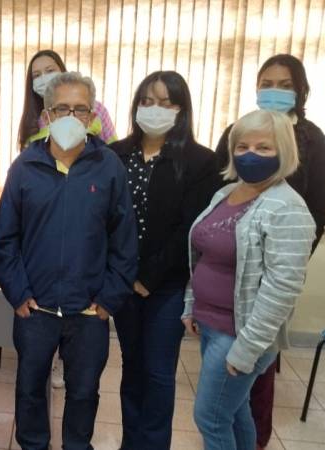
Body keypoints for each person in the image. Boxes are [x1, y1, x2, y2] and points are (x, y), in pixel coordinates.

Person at [0, 71, 138, 450]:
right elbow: (4, 238)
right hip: (35, 309)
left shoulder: (109, 166)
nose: (72, 116)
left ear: (92, 115)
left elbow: (124, 242)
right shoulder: (24, 167)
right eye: (62, 108)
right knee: (30, 390)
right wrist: (18, 293)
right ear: (47, 114)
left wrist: (108, 300)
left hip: (88, 312)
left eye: (81, 109)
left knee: (84, 393)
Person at [213, 54, 325, 450]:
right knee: (223, 368)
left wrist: (289, 262)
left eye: (285, 85)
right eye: (267, 83)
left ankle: (255, 441)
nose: (274, 91)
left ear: (300, 91)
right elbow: (218, 195)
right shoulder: (238, 130)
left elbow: (319, 210)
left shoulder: (311, 139)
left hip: (275, 273)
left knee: (258, 368)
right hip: (228, 270)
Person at [184, 109, 315, 450]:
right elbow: (203, 254)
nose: (250, 155)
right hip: (211, 325)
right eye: (242, 146)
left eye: (263, 147)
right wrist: (191, 305)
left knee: (211, 418)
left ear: (283, 151)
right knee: (236, 410)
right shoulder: (226, 194)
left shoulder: (288, 208)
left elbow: (281, 290)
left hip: (240, 333)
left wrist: (247, 349)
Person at [109, 71, 220, 450]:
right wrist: (122, 275)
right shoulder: (116, 154)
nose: (154, 109)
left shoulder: (200, 161)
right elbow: (105, 219)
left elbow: (190, 228)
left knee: (157, 373)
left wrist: (149, 278)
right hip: (122, 281)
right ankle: (131, 443)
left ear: (181, 109)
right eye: (147, 101)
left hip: (167, 285)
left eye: (165, 103)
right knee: (131, 368)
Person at [17, 49, 117, 151]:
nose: (44, 78)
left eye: (50, 71)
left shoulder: (96, 109)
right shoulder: (32, 120)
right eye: (37, 75)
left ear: (62, 71)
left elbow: (114, 149)